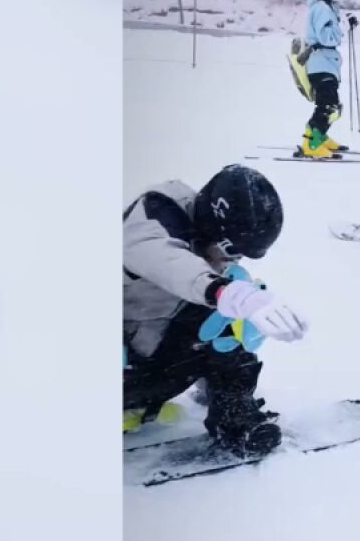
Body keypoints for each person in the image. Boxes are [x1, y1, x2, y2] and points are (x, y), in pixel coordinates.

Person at [123, 164, 308, 456]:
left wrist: (241, 299)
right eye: (232, 251)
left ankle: (236, 418)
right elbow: (169, 263)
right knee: (218, 310)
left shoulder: (202, 244)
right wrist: (224, 291)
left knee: (226, 336)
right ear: (213, 228)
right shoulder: (151, 222)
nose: (229, 261)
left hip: (150, 347)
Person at [300, 0, 355, 158]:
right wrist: (342, 30)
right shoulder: (322, 8)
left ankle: (316, 136)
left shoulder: (326, 6)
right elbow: (326, 37)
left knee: (328, 105)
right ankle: (312, 144)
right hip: (320, 63)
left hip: (325, 63)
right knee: (329, 107)